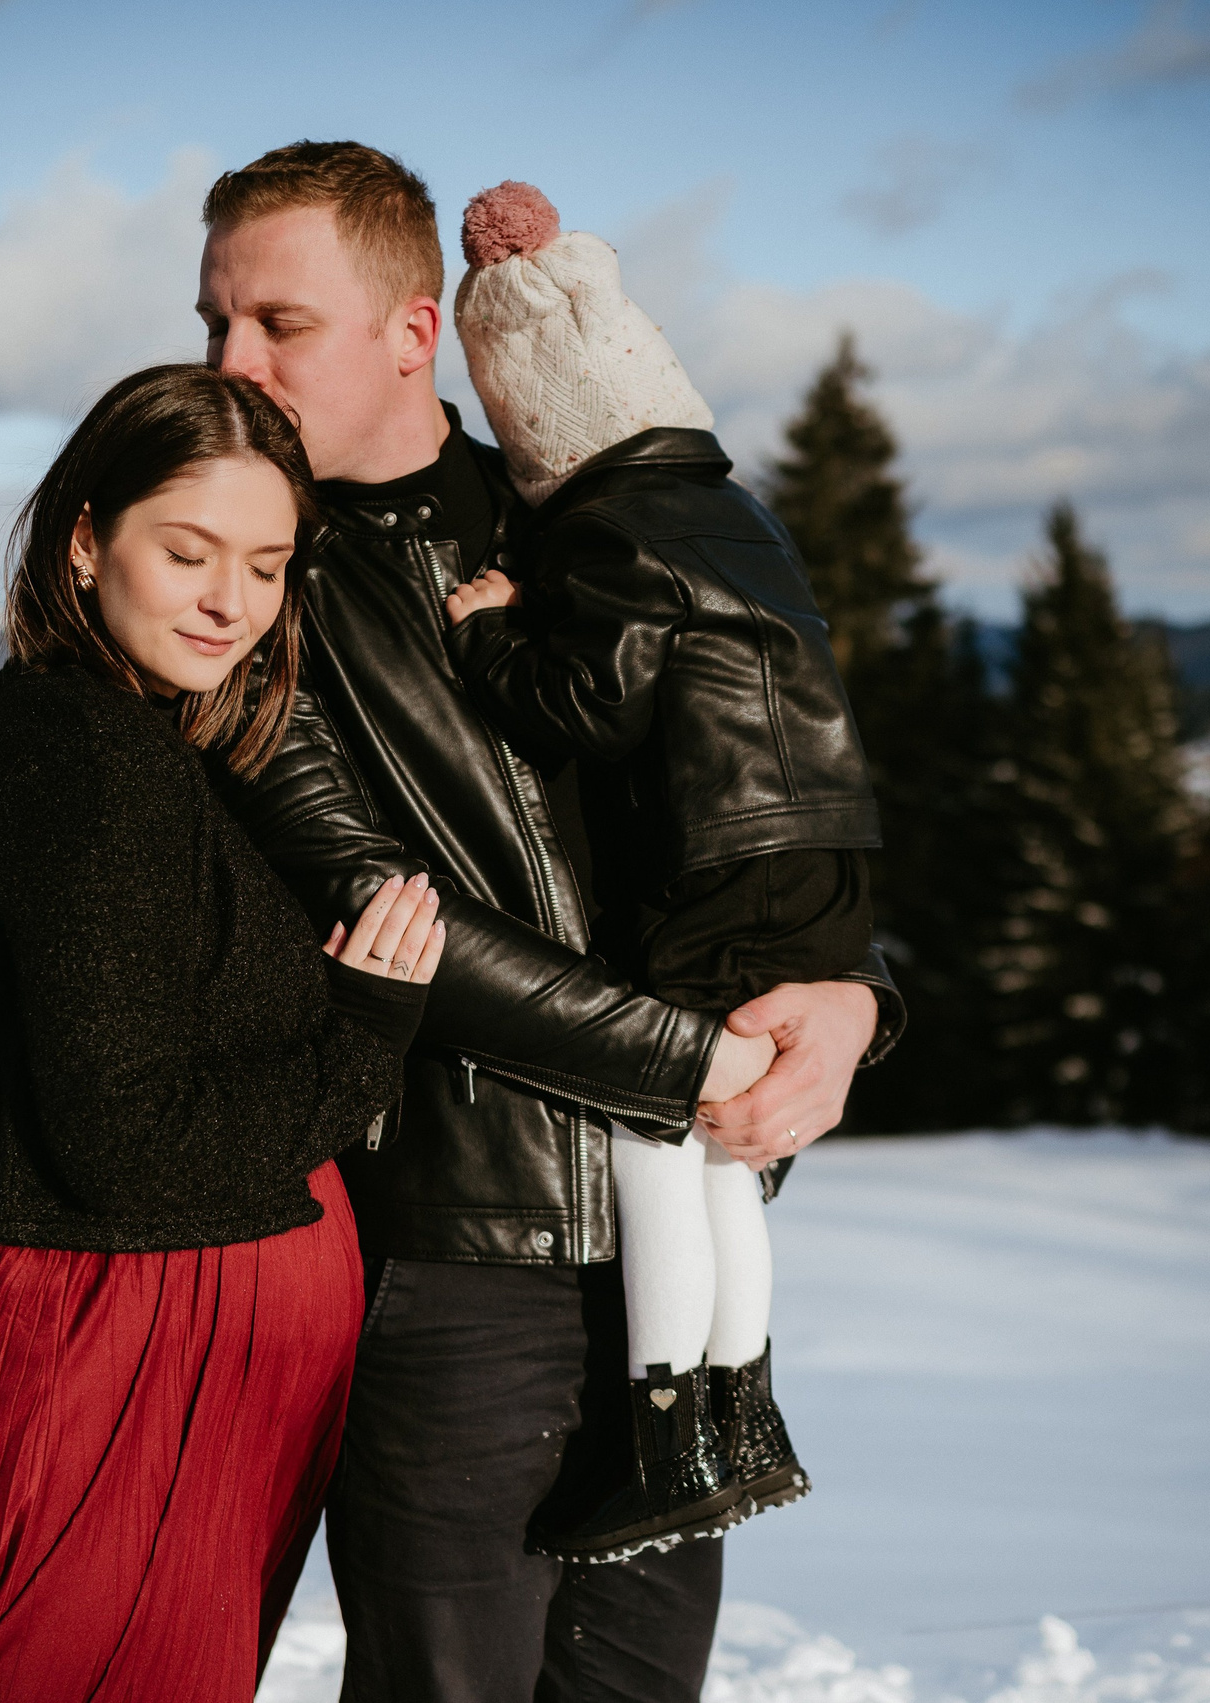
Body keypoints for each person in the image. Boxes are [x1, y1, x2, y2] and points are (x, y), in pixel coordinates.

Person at [196, 142, 904, 1700]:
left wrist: (848, 999)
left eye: (277, 323)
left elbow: (766, 789)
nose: (232, 366)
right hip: (452, 1252)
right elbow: (392, 919)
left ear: (414, 329)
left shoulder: (592, 509)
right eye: (215, 326)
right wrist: (700, 1063)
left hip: (676, 1259)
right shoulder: (253, 589)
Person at [0, 364, 446, 1703]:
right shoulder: (88, 761)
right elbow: (127, 1144)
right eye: (185, 552)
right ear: (86, 540)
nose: (229, 601)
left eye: (266, 563)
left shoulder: (121, 738)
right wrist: (363, 1033)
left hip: (131, 1365)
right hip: (105, 1372)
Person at [441, 179, 883, 1565]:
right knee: (731, 1149)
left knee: (660, 1121)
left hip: (716, 864)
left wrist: (495, 635)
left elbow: (594, 704)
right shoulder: (727, 506)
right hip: (817, 859)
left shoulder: (607, 526)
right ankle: (747, 1414)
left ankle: (667, 1434)